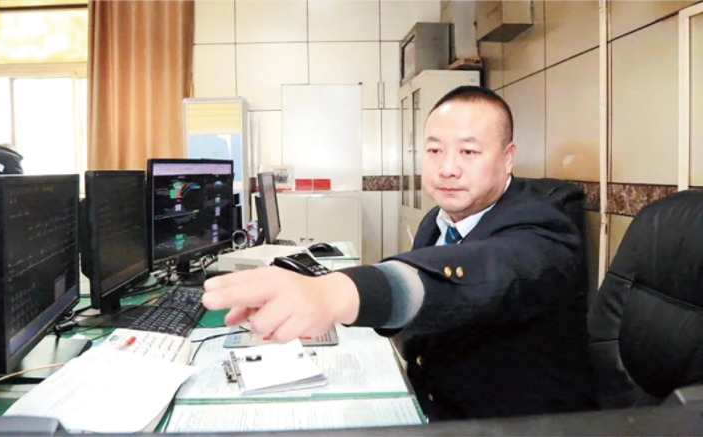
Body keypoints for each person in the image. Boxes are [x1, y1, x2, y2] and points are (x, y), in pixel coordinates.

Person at [202, 86, 593, 420]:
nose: (448, 168)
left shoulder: (545, 223)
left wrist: (337, 293)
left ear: (508, 158)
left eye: (469, 152)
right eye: (435, 150)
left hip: (514, 422)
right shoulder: (437, 220)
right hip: (433, 403)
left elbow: (485, 274)